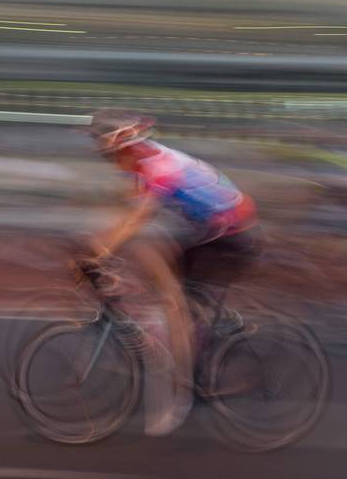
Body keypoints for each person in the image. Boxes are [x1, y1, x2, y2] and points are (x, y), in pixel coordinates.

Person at [84, 108, 262, 436]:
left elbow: (139, 218)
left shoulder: (159, 167)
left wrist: (103, 252)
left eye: (109, 153)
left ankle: (182, 396)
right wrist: (98, 246)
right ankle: (205, 325)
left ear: (122, 146)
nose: (109, 161)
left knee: (175, 303)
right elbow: (126, 214)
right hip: (206, 228)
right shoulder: (138, 164)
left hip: (229, 233)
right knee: (157, 267)